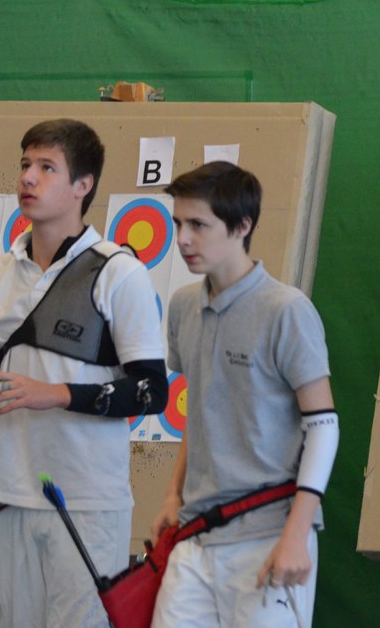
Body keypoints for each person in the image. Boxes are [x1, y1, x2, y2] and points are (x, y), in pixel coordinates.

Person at [0, 118, 168, 627]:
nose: (28, 178)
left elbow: (151, 391)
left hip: (87, 499)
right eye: (24, 165)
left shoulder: (118, 270)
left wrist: (56, 393)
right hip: (9, 494)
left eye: (46, 167)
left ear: (83, 185)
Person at [150, 161, 338, 627]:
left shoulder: (287, 310)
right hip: (194, 536)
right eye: (178, 223)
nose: (183, 239)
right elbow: (202, 411)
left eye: (198, 225)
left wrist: (296, 534)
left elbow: (323, 427)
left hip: (268, 533)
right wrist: (172, 495)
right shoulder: (182, 306)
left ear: (242, 226)